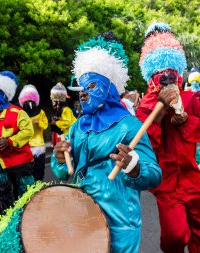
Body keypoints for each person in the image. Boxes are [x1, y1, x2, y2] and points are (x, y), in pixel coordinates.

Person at [52, 31, 161, 252]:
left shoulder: (129, 125)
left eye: (90, 87)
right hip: (84, 216)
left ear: (108, 87)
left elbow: (154, 175)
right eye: (81, 89)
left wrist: (134, 167)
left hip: (120, 219)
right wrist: (59, 159)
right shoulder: (77, 127)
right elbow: (64, 173)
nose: (82, 94)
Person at [137, 22, 200, 253]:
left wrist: (185, 120)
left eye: (172, 74)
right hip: (167, 184)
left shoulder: (190, 99)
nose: (167, 80)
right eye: (161, 75)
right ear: (151, 77)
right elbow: (145, 145)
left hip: (194, 180)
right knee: (175, 235)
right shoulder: (146, 107)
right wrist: (159, 114)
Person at [0, 71, 35, 220]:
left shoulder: (17, 112)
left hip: (19, 161)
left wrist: (9, 141)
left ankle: (28, 222)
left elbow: (28, 131)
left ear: (4, 94)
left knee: (26, 196)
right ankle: (3, 225)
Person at [18, 84, 48, 181]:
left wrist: (38, 123)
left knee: (39, 169)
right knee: (28, 170)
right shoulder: (21, 114)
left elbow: (45, 125)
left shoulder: (41, 112)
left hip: (38, 145)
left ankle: (39, 186)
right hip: (26, 146)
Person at [49, 82, 76, 147]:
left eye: (54, 101)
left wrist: (55, 123)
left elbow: (67, 123)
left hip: (71, 135)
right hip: (66, 135)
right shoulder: (60, 110)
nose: (53, 103)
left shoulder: (66, 110)